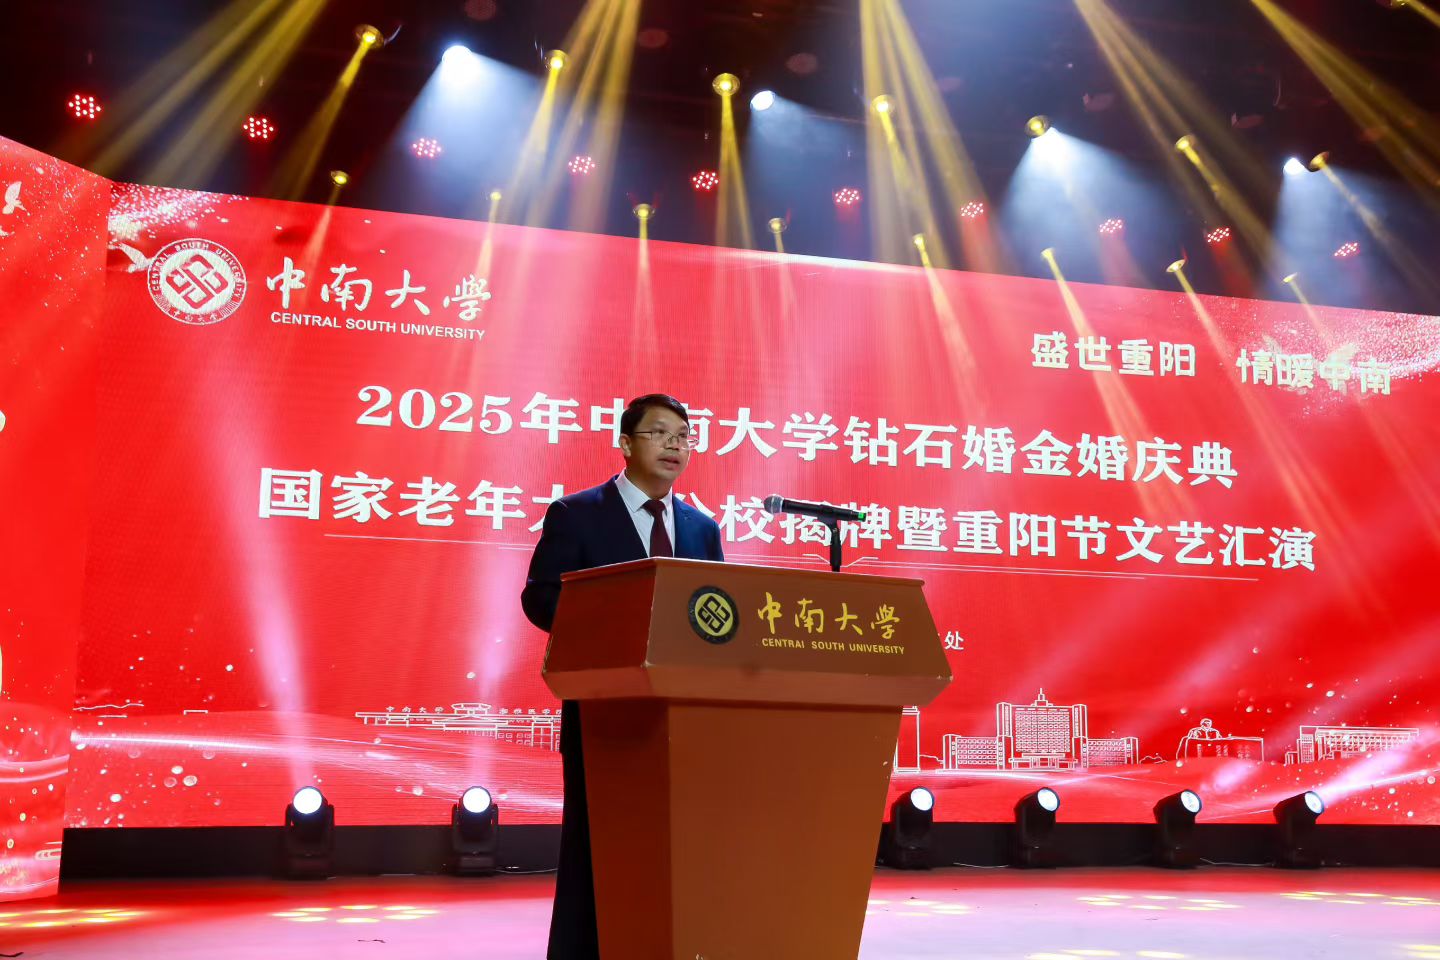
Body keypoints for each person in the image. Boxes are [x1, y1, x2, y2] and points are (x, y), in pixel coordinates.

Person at [521, 393, 725, 960]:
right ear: (626, 443)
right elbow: (540, 598)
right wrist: (612, 621)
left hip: (683, 717)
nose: (674, 446)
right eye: (659, 433)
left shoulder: (702, 529)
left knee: (678, 845)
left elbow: (719, 613)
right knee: (597, 845)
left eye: (683, 437)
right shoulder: (577, 513)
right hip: (603, 710)